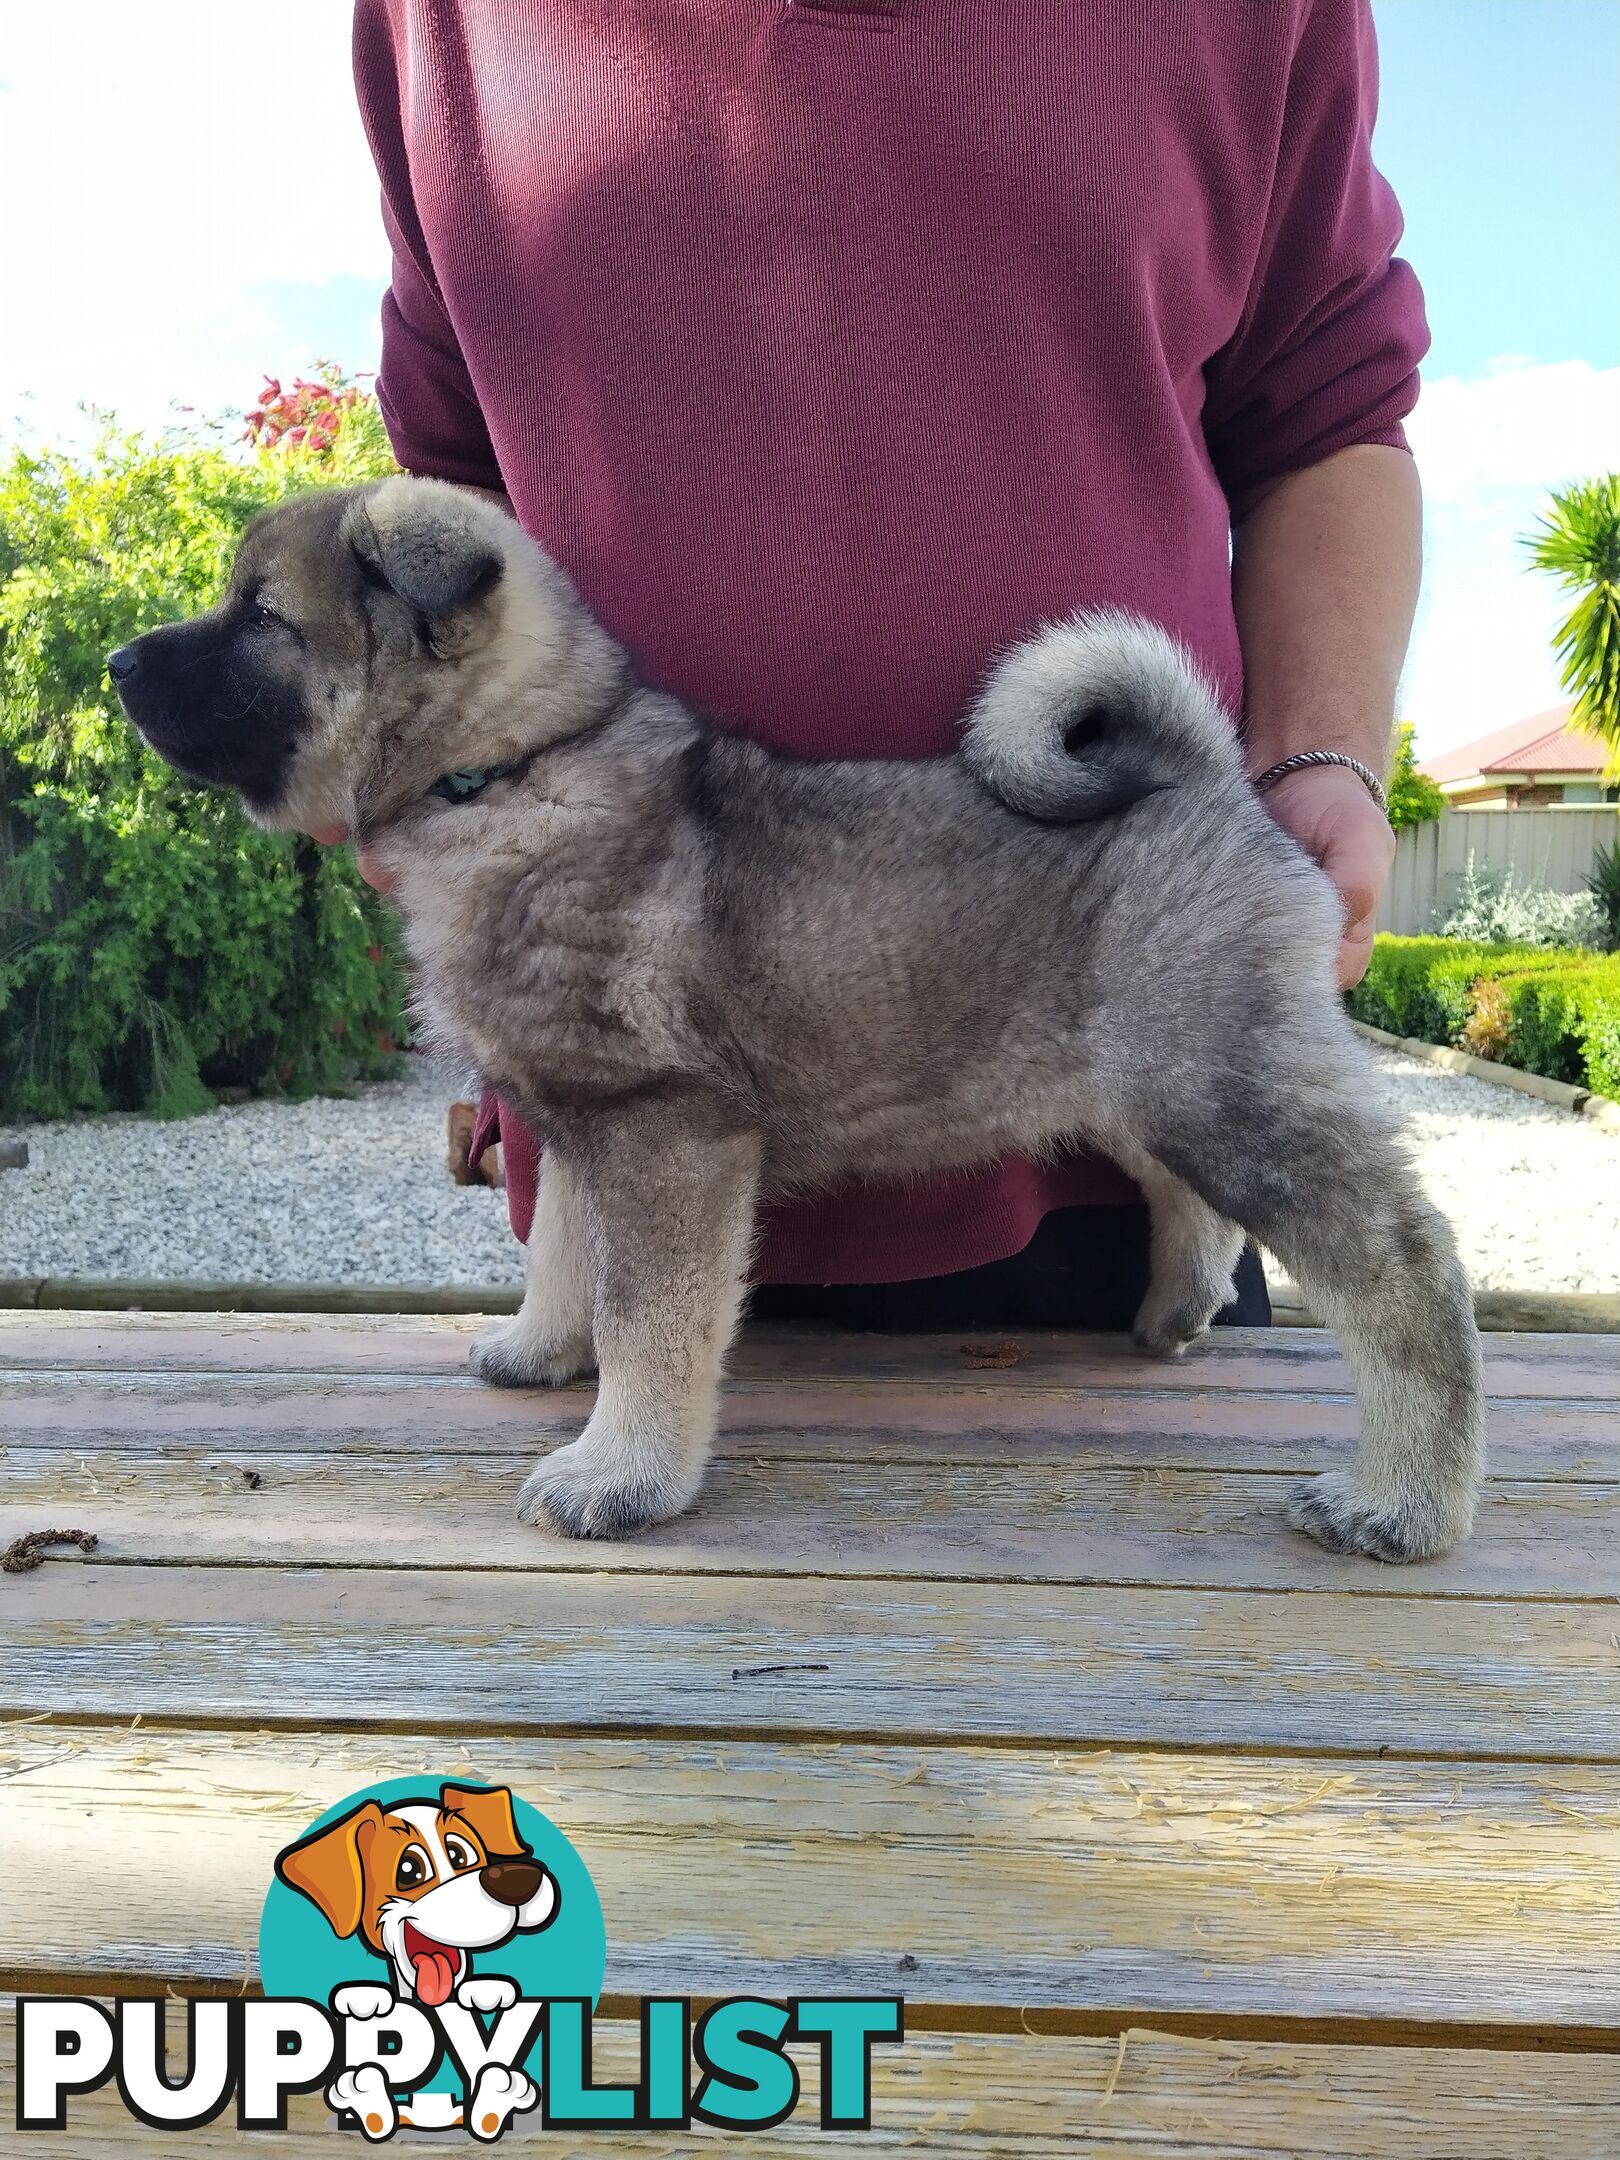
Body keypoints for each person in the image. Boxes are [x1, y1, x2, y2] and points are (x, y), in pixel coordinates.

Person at [344, 0, 1425, 1334]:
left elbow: (1331, 409)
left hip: (1126, 1113)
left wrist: (1321, 754)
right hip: (627, 1153)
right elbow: (451, 463)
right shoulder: (432, 19)